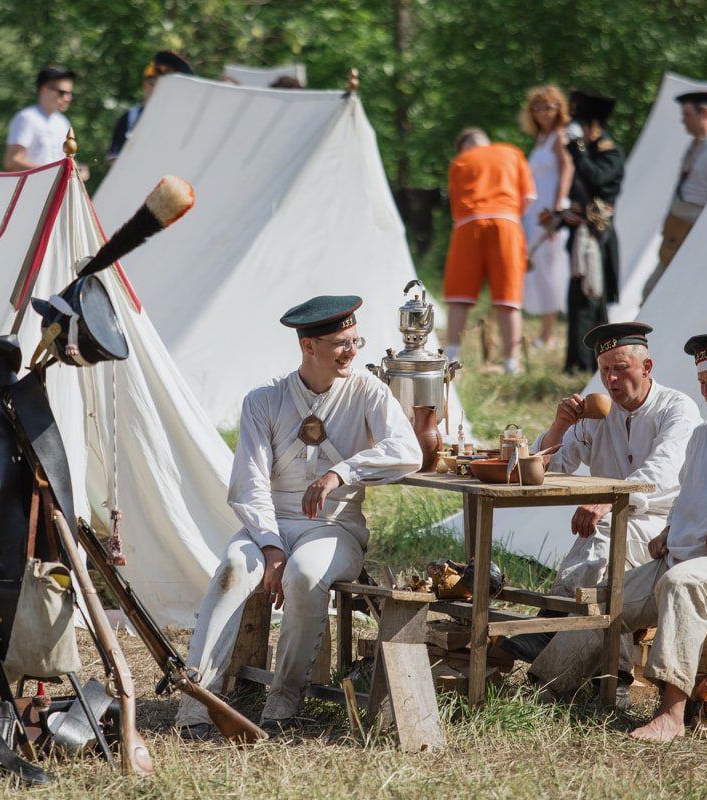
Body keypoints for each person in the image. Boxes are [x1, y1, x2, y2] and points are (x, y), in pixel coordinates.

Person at [528, 329, 707, 742]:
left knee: (679, 584)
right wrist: (672, 529)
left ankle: (671, 714)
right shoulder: (706, 433)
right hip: (686, 552)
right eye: (703, 382)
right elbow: (691, 494)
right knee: (608, 594)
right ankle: (547, 686)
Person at [174, 296, 422, 738]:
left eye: (355, 340)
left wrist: (340, 472)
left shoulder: (367, 390)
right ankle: (197, 706)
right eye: (341, 344)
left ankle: (283, 702)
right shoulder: (263, 401)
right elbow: (249, 485)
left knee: (306, 576)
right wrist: (269, 546)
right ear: (308, 346)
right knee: (232, 569)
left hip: (335, 527)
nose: (351, 351)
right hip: (268, 525)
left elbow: (408, 451)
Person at [499, 323, 700, 669]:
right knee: (605, 548)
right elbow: (545, 468)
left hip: (664, 525)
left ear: (646, 367)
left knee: (603, 540)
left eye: (620, 368)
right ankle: (612, 672)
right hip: (612, 521)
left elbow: (664, 470)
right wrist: (560, 426)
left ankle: (552, 624)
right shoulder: (598, 413)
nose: (611, 379)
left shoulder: (676, 409)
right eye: (605, 370)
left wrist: (610, 501)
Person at [442, 127, 536, 375]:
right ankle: (511, 364)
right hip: (506, 222)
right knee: (508, 299)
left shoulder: (459, 161)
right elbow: (527, 198)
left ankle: (451, 358)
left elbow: (455, 210)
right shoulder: (512, 153)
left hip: (467, 225)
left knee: (459, 297)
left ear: (463, 146)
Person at [642, 92, 707, 301]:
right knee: (653, 292)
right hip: (679, 227)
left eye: (688, 114)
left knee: (666, 293)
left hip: (696, 230)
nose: (683, 120)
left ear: (705, 113)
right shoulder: (696, 144)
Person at [561, 90, 625, 374]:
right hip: (581, 236)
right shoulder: (585, 155)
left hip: (598, 237)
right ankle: (578, 362)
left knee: (592, 300)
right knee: (578, 301)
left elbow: (597, 178)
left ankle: (592, 364)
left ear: (593, 127)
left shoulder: (610, 153)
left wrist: (577, 149)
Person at [519, 85, 574, 351]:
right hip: (535, 214)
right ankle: (545, 330)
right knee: (539, 269)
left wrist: (556, 211)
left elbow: (567, 171)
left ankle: (550, 334)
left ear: (559, 109)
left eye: (549, 106)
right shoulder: (542, 138)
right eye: (538, 107)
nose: (543, 112)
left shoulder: (559, 137)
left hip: (550, 212)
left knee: (550, 270)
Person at [106, 51, 194, 163]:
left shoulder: (182, 117)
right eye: (153, 83)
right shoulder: (129, 118)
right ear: (145, 84)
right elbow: (115, 160)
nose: (157, 87)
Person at [5, 65, 89, 181]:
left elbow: (67, 160)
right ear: (44, 89)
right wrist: (51, 173)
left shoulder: (63, 122)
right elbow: (11, 161)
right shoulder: (27, 117)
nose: (68, 98)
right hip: (31, 190)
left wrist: (78, 170)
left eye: (70, 94)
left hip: (55, 191)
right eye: (62, 93)